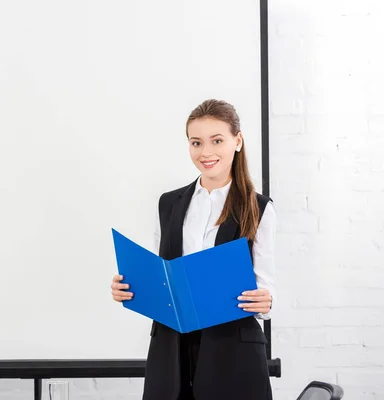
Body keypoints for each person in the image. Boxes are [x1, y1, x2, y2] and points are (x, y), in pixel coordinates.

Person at [111, 99, 276, 400]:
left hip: (232, 351)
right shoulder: (169, 203)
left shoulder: (259, 207)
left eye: (217, 141)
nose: (206, 152)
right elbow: (163, 274)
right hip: (171, 351)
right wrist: (129, 286)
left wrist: (265, 301)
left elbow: (264, 286)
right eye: (196, 142)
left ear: (237, 141)